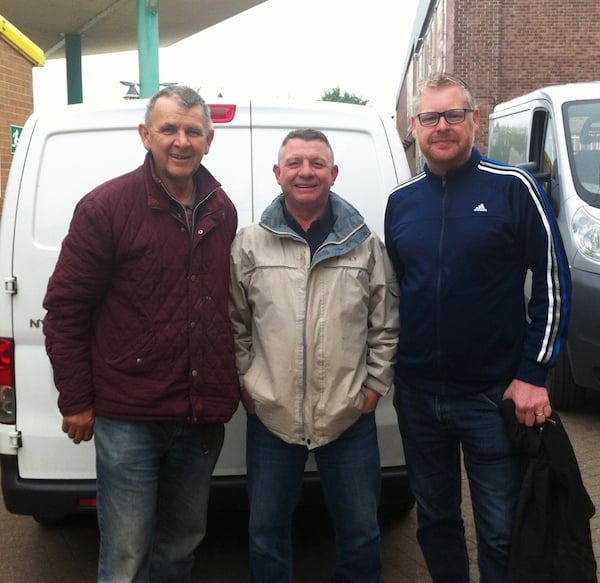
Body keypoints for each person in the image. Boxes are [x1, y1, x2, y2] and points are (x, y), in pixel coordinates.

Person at [42, 85, 239, 582]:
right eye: (169, 128)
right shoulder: (106, 207)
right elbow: (65, 309)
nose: (181, 141)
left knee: (180, 547)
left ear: (209, 141)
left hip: (199, 416)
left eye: (193, 131)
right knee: (127, 556)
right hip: (129, 417)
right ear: (145, 135)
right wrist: (76, 399)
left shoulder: (222, 209)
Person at [384, 72, 571, 583]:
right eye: (430, 117)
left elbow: (553, 280)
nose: (442, 126)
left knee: (499, 528)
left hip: (492, 396)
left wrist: (534, 374)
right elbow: (401, 289)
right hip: (418, 396)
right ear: (414, 127)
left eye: (453, 115)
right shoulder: (401, 202)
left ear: (474, 120)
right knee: (436, 519)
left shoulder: (515, 187)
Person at [229, 128, 399, 582]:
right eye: (295, 163)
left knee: (361, 532)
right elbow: (235, 324)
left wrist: (373, 387)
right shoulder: (249, 244)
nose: (306, 172)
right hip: (272, 415)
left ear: (333, 173)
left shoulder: (364, 244)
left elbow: (384, 322)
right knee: (265, 532)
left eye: (317, 163)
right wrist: (248, 386)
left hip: (348, 415)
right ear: (278, 173)